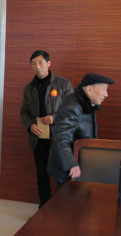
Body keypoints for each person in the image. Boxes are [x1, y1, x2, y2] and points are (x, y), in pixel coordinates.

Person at [20, 50, 72, 207]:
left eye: (40, 62)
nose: (37, 67)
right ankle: (44, 207)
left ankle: (64, 209)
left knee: (62, 174)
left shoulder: (63, 84)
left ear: (48, 63)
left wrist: (54, 118)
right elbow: (24, 112)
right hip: (39, 137)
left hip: (59, 137)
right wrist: (30, 125)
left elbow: (72, 111)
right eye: (33, 64)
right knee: (42, 173)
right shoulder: (29, 88)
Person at [47, 73, 114, 186]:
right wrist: (71, 163)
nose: (106, 94)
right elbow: (61, 137)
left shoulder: (87, 104)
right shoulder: (73, 107)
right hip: (69, 168)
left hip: (80, 163)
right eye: (103, 89)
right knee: (68, 196)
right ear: (89, 89)